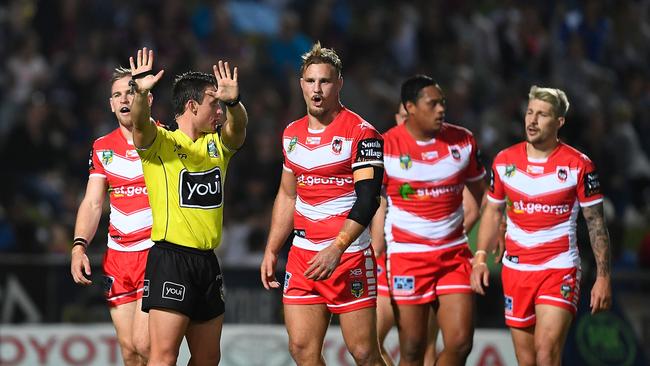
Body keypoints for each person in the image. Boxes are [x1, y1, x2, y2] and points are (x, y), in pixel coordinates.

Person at [260, 42, 386, 366]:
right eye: (311, 81)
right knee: (301, 350)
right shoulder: (291, 134)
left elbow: (369, 198)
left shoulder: (362, 133)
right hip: (303, 257)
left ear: (339, 84)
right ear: (301, 84)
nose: (317, 89)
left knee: (364, 353)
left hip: (349, 257)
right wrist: (273, 248)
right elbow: (288, 195)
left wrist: (337, 248)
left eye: (325, 81)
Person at [471, 85, 612, 366]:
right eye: (530, 112)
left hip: (559, 268)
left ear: (559, 122)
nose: (532, 121)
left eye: (543, 115)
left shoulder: (578, 165)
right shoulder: (504, 161)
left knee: (546, 353)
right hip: (516, 270)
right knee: (527, 360)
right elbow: (492, 212)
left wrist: (603, 277)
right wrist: (480, 257)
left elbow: (596, 222)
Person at [128, 47, 248, 365]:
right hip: (171, 259)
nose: (220, 112)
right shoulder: (161, 144)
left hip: (207, 263)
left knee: (208, 359)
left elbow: (239, 131)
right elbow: (139, 126)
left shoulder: (216, 145)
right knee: (164, 356)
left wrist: (234, 103)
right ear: (192, 106)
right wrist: (140, 93)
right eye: (215, 104)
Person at [372, 75, 486, 366]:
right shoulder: (385, 147)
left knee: (460, 344)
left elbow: (480, 195)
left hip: (453, 256)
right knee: (412, 348)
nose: (440, 109)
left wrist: (459, 233)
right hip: (408, 258)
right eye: (432, 103)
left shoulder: (463, 141)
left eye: (442, 103)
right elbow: (371, 203)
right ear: (410, 107)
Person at [70, 67, 154, 366]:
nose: (124, 99)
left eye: (131, 92)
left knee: (148, 348)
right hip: (118, 256)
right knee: (130, 351)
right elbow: (93, 202)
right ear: (110, 104)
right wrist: (79, 245)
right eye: (117, 94)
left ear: (145, 97)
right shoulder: (102, 147)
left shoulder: (164, 139)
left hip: (156, 253)